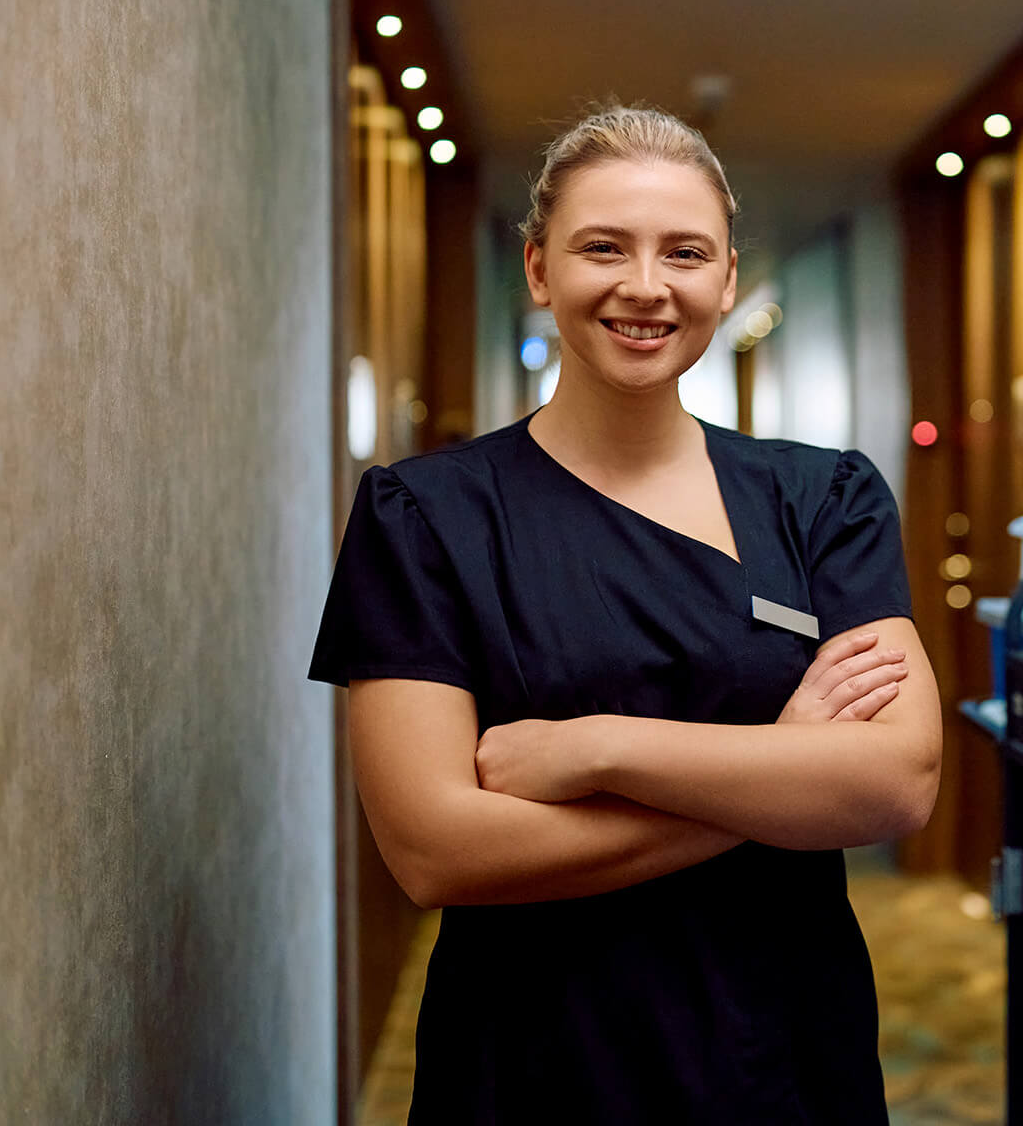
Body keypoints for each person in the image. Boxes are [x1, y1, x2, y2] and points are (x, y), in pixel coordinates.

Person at [309, 105, 942, 1124]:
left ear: (727, 279)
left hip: (778, 1050)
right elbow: (436, 850)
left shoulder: (824, 499)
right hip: (534, 1060)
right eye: (603, 246)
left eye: (684, 253)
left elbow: (897, 782)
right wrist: (777, 771)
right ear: (538, 269)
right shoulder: (426, 517)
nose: (646, 286)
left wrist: (598, 750)